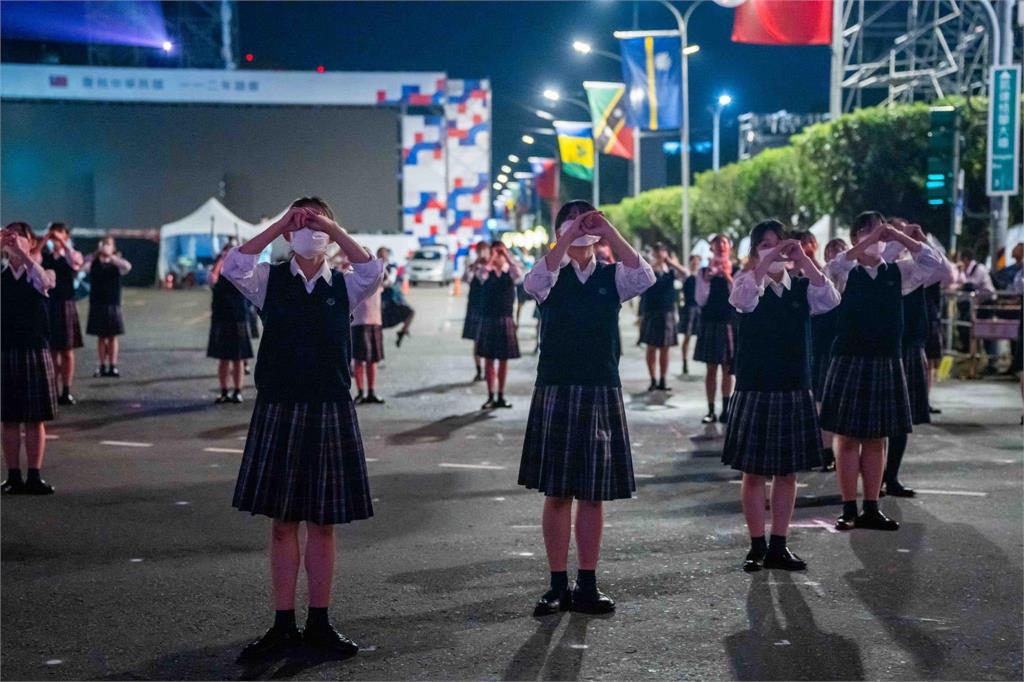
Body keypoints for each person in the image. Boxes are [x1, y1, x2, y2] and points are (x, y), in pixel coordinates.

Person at [221, 197, 383, 662]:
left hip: (330, 407)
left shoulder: (345, 284)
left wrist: (332, 229)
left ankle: (320, 621)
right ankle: (282, 623)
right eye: (301, 221)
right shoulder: (268, 280)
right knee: (282, 523)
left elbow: (372, 272)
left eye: (315, 220)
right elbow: (235, 263)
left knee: (324, 525)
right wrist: (280, 226)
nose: (307, 228)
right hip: (280, 406)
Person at [519, 200, 654, 616]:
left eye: (586, 223)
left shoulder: (613, 276)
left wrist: (607, 229)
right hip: (557, 386)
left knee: (593, 495)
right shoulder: (549, 275)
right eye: (571, 223)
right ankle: (557, 584)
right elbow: (532, 282)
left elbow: (645, 275)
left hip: (600, 387)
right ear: (557, 232)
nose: (581, 230)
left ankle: (588, 584)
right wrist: (567, 234)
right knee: (558, 493)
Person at [723, 220, 840, 572]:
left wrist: (803, 259)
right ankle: (756, 545)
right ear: (753, 250)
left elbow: (831, 299)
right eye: (764, 244)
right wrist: (765, 261)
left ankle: (779, 544)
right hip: (755, 385)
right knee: (754, 472)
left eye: (778, 243)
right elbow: (742, 300)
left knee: (787, 473)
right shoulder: (747, 282)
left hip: (793, 384)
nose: (772, 250)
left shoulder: (803, 285)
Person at [820, 211, 946, 532]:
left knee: (877, 437)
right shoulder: (845, 270)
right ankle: (849, 507)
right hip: (849, 357)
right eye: (866, 231)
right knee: (847, 438)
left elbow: (935, 266)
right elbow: (832, 268)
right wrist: (871, 242)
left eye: (878, 230)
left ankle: (872, 506)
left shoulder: (898, 271)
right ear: (854, 237)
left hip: (885, 359)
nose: (875, 236)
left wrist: (904, 237)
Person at [880, 219, 958, 497]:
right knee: (878, 419)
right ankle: (876, 478)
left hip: (911, 343)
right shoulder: (884, 262)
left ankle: (891, 476)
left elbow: (947, 274)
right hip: (884, 344)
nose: (902, 234)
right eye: (895, 229)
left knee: (903, 418)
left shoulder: (915, 262)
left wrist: (920, 239)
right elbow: (878, 262)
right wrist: (895, 240)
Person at [1, 223, 58, 495]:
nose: (13, 239)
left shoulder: (42, 271)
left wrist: (25, 255)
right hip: (5, 350)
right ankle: (13, 476)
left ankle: (34, 475)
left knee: (35, 419)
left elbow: (45, 283)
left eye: (19, 235)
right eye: (9, 234)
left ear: (32, 243)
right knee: (9, 418)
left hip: (35, 349)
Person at [810, 238, 849, 471]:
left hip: (846, 347)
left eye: (840, 250)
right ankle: (825, 450)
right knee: (820, 401)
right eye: (831, 250)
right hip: (824, 345)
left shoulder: (854, 277)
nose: (835, 254)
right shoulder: (820, 277)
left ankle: (838, 449)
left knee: (841, 402)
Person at [41, 222, 84, 405]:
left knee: (66, 350)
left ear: (67, 235)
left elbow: (75, 262)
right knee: (50, 351)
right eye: (54, 233)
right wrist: (45, 239)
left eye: (60, 232)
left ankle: (66, 390)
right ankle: (52, 388)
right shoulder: (46, 256)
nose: (56, 236)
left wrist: (64, 243)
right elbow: (34, 258)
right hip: (49, 304)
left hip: (65, 303)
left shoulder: (72, 253)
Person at [694, 235, 736, 423]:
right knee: (711, 368)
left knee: (728, 368)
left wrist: (727, 277)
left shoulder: (738, 270)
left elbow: (741, 298)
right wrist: (708, 280)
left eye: (724, 243)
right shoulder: (703, 271)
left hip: (729, 321)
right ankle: (710, 410)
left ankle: (726, 409)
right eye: (717, 244)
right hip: (710, 321)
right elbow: (700, 300)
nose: (720, 246)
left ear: (730, 248)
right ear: (711, 248)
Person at [477, 242, 522, 409]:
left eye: (500, 253)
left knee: (503, 360)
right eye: (495, 252)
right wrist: (492, 258)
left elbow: (519, 276)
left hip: (505, 318)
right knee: (488, 360)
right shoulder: (486, 270)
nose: (498, 256)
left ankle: (501, 396)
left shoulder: (509, 271)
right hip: (489, 318)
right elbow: (481, 276)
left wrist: (507, 256)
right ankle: (490, 396)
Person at [206, 244, 252, 404]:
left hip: (238, 316)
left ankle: (238, 391)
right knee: (223, 358)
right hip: (221, 317)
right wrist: (221, 260)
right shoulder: (218, 272)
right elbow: (212, 279)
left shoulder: (241, 270)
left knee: (238, 358)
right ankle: (224, 391)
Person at [638, 244, 687, 391]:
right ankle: (653, 379)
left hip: (667, 312)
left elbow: (686, 273)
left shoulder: (670, 270)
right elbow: (640, 276)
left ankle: (663, 380)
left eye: (662, 251)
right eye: (657, 252)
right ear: (653, 253)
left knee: (665, 348)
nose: (660, 254)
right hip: (651, 311)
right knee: (651, 348)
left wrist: (670, 262)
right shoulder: (648, 267)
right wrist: (655, 264)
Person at [83, 236, 131, 378]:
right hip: (97, 302)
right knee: (101, 336)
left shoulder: (117, 263)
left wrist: (112, 257)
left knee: (112, 336)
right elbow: (82, 266)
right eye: (104, 244)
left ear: (113, 247)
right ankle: (102, 365)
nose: (105, 247)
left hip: (113, 303)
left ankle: (113, 365)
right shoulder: (94, 262)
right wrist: (96, 254)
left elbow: (127, 267)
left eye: (108, 244)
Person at [351, 256, 386, 405]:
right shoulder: (351, 278)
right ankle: (360, 392)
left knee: (372, 360)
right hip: (357, 324)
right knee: (359, 360)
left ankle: (371, 391)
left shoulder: (376, 280)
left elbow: (386, 275)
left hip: (375, 323)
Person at [461, 241, 491, 381]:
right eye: (479, 250)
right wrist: (472, 268)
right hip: (475, 306)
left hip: (488, 307)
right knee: (477, 341)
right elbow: (466, 279)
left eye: (484, 250)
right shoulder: (473, 266)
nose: (481, 253)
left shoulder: (491, 267)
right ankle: (479, 371)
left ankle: (487, 370)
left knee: (488, 341)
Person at [377, 247, 415, 347]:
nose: (382, 256)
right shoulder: (375, 266)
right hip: (380, 299)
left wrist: (381, 284)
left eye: (383, 254)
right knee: (377, 324)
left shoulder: (392, 267)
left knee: (410, 312)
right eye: (380, 254)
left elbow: (391, 281)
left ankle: (403, 331)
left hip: (392, 297)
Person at [677, 254, 702, 375]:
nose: (695, 264)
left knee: (701, 336)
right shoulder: (687, 273)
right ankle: (684, 361)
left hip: (699, 308)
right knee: (687, 337)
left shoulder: (702, 275)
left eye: (697, 262)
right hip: (688, 308)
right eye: (694, 262)